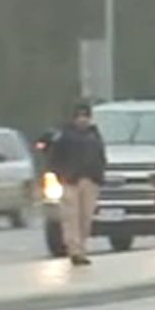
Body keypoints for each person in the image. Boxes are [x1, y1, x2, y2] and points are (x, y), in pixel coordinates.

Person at [47, 101, 108, 265]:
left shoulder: (94, 135)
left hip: (90, 181)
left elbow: (101, 157)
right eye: (79, 116)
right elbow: (53, 158)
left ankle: (82, 247)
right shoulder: (64, 136)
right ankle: (74, 250)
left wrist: (99, 176)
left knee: (85, 218)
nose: (82, 120)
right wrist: (61, 176)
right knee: (71, 216)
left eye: (85, 116)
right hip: (70, 181)